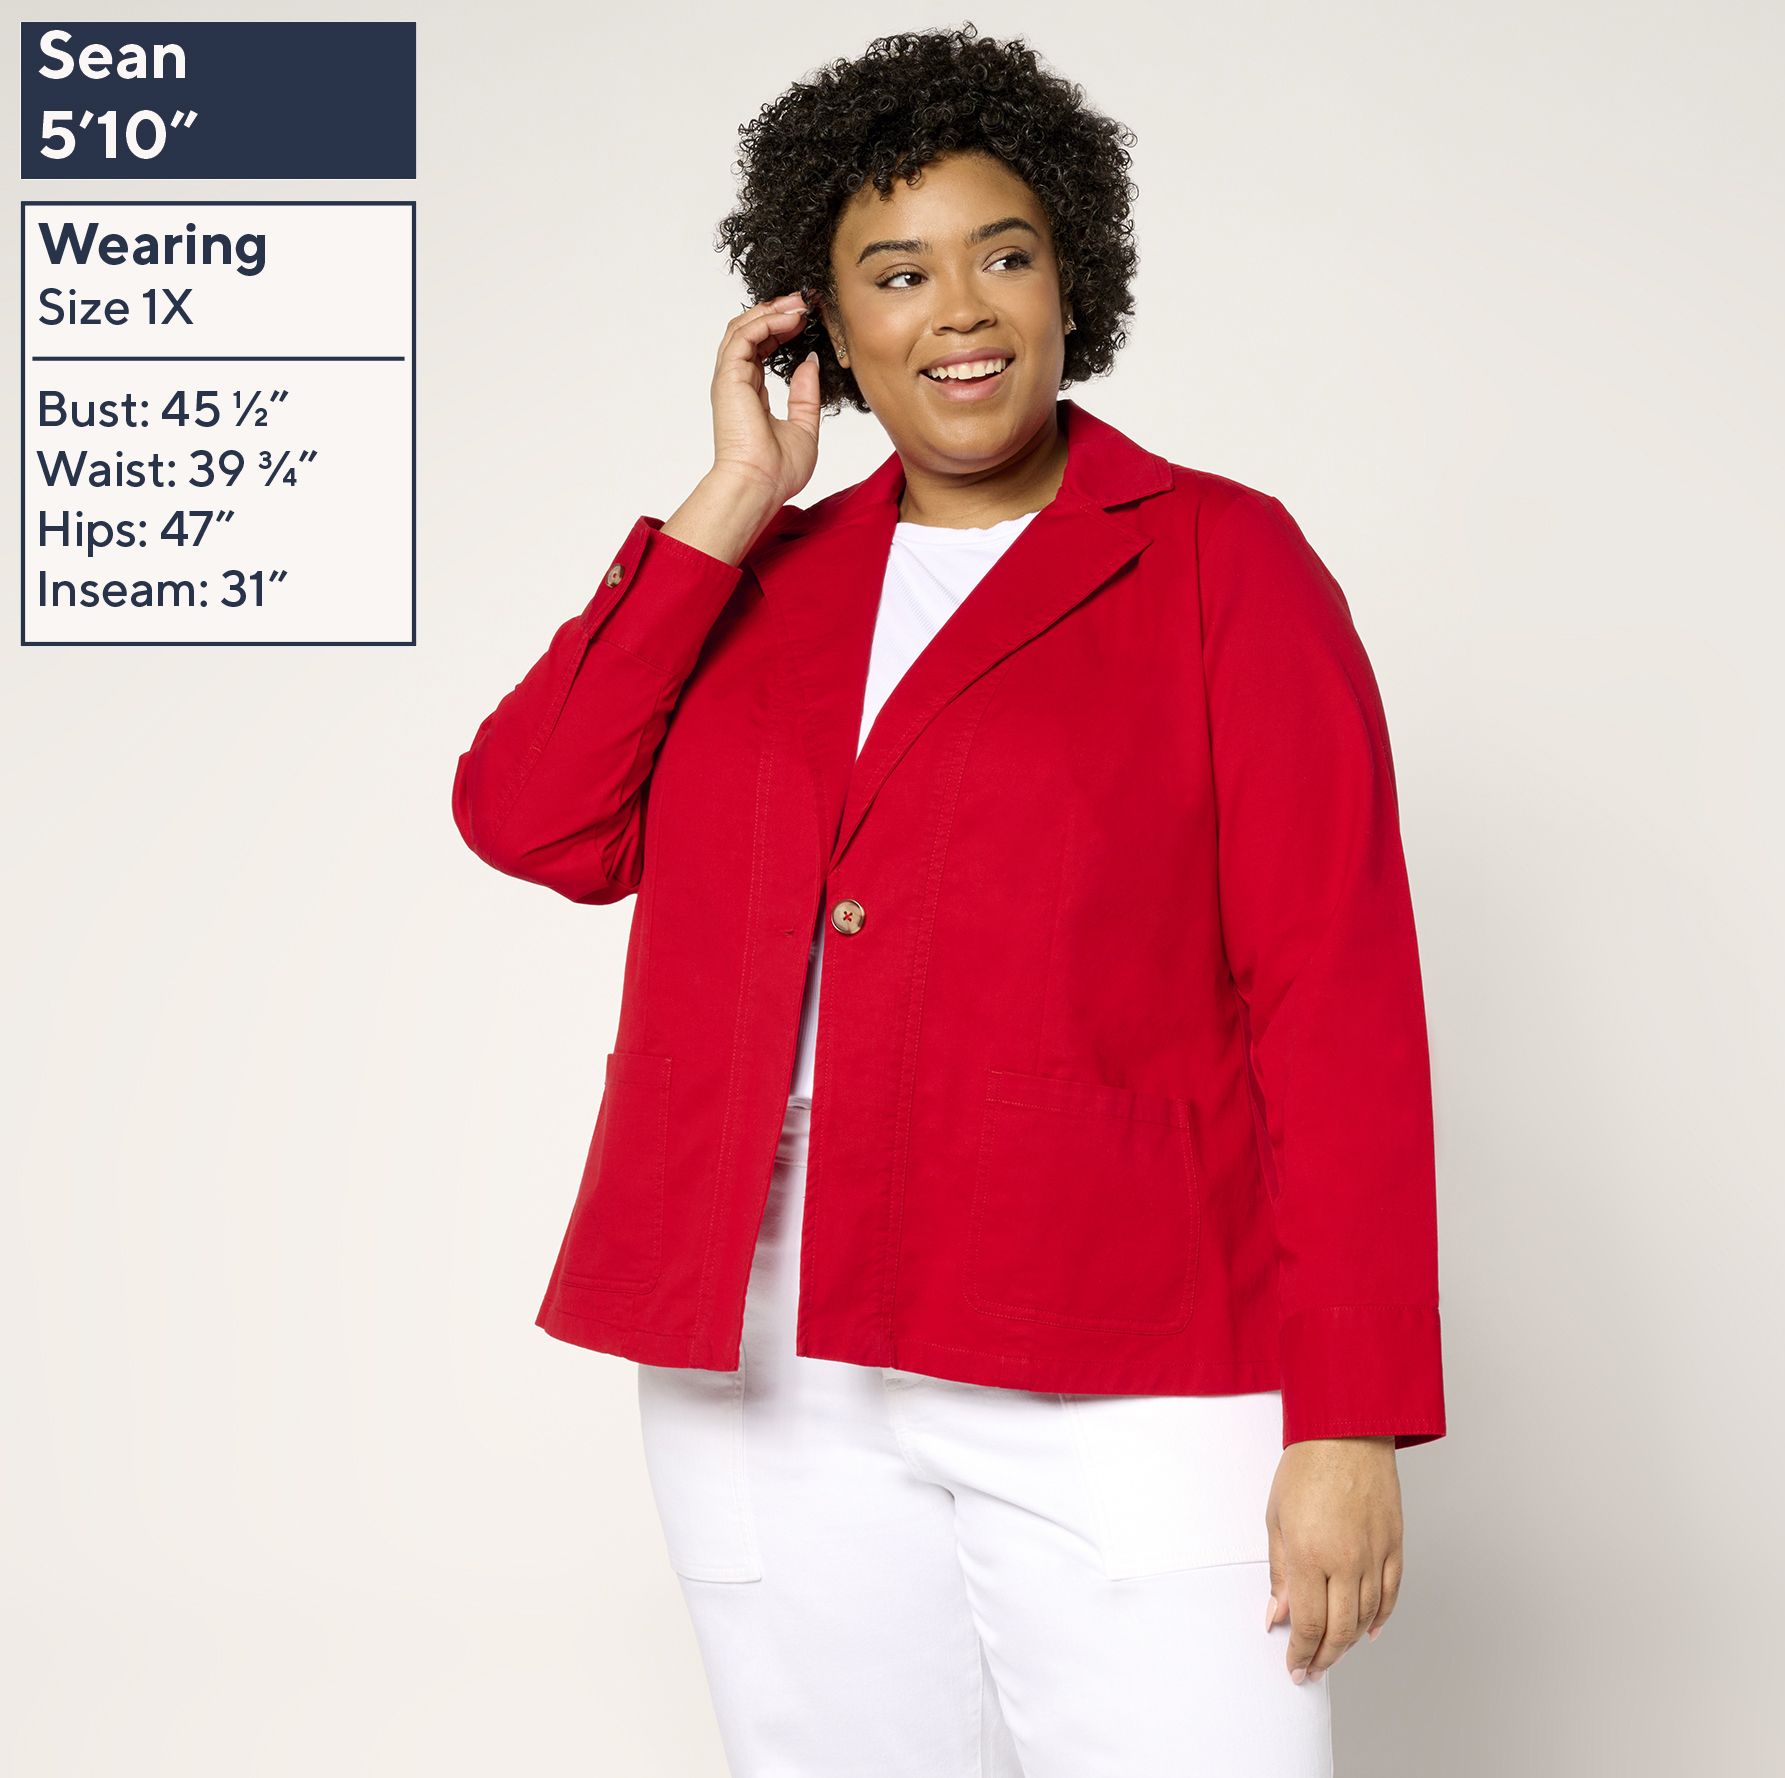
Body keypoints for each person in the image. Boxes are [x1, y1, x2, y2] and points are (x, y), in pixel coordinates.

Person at [452, 24, 1445, 1776]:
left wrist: (1350, 1415)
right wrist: (730, 501)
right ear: (825, 328)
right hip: (762, 1351)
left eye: (1004, 255)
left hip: (1126, 1342)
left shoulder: (1220, 560)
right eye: (896, 274)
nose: (960, 312)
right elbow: (537, 819)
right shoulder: (757, 580)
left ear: (1073, 278)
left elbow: (1335, 997)